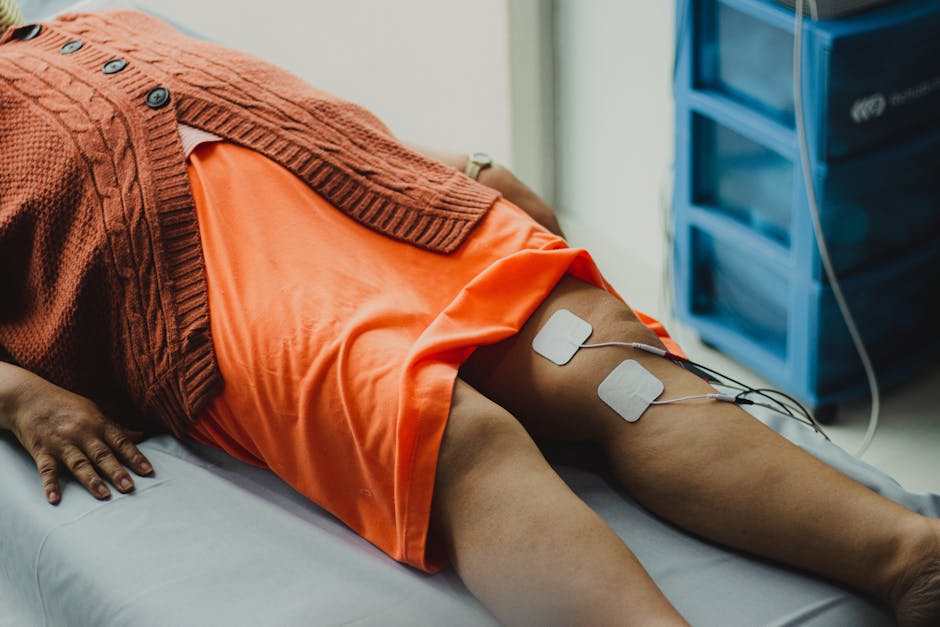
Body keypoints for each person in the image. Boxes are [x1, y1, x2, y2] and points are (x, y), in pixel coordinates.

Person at [0, 8, 938, 627]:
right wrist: (19, 397)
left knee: (613, 372)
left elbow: (280, 107)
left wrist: (462, 162)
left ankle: (909, 559)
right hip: (195, 276)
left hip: (385, 196)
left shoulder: (86, 20)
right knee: (449, 434)